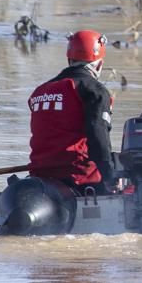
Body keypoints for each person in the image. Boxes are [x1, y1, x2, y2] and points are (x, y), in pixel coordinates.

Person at [27, 29, 117, 193]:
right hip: (78, 177)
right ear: (99, 64)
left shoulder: (40, 92)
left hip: (40, 174)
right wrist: (110, 175)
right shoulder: (94, 91)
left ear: (69, 58)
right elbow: (98, 136)